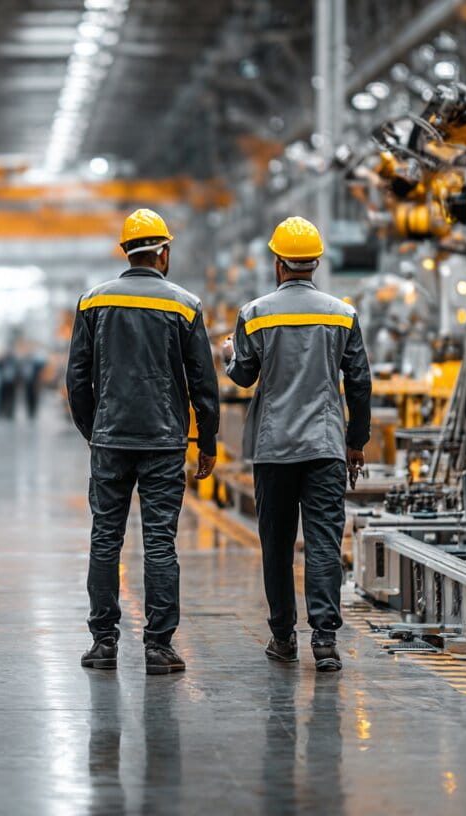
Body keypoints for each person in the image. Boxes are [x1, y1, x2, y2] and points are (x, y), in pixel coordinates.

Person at [67, 208, 220, 675]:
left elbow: (77, 379)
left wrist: (95, 431)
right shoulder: (184, 305)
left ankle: (103, 643)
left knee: (105, 540)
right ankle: (158, 647)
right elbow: (202, 382)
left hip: (111, 439)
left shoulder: (93, 302)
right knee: (159, 542)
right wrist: (207, 440)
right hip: (163, 442)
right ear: (164, 252)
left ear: (126, 252)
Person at [223, 216, 372, 673]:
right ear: (315, 263)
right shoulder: (342, 314)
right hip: (325, 446)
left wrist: (231, 355)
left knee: (277, 543)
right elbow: (361, 382)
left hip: (274, 448)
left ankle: (283, 638)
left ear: (277, 263)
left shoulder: (254, 314)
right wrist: (356, 441)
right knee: (324, 542)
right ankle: (325, 642)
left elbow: (245, 376)